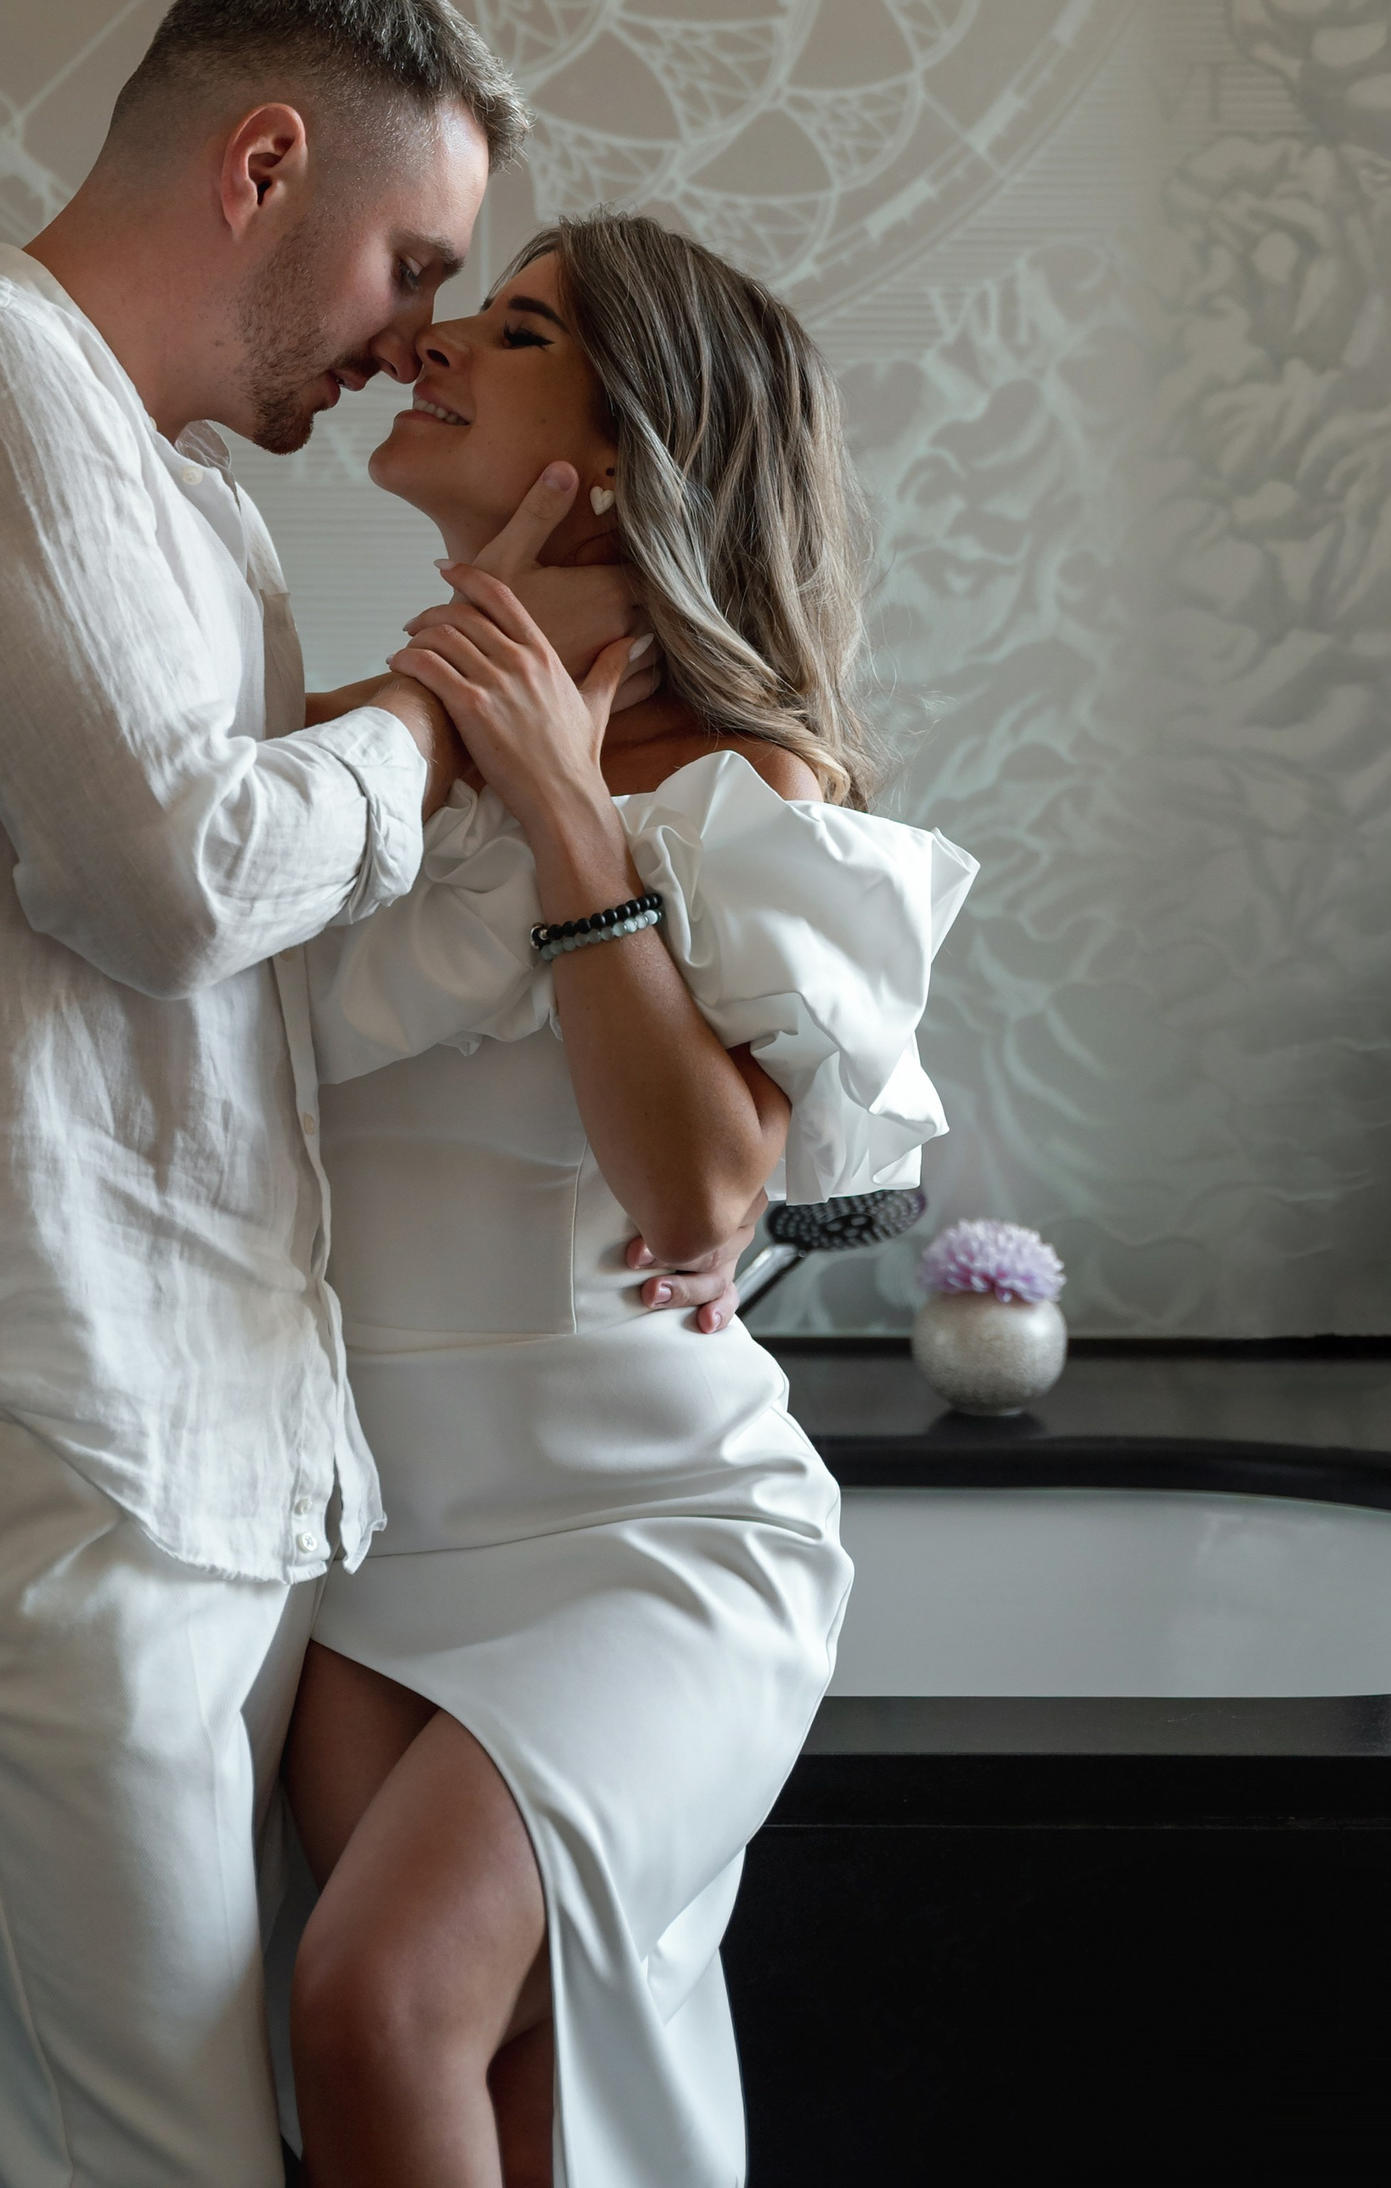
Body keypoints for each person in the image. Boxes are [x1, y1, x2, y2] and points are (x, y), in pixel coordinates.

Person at [0, 0, 737, 2188]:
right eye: (412, 264)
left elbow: (275, 933)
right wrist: (445, 703)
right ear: (264, 163)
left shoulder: (212, 520)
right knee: (130, 2154)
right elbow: (174, 875)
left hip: (237, 1461)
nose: (411, 338)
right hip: (62, 1433)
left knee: (100, 2132)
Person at [284, 214, 978, 2186]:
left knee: (379, 2002)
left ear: (627, 452)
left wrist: (568, 805)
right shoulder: (352, 761)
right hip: (365, 1548)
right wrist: (460, 720)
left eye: (511, 332)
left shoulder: (744, 791)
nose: (429, 345)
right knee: (510, 2085)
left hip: (649, 1542)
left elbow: (697, 1191)